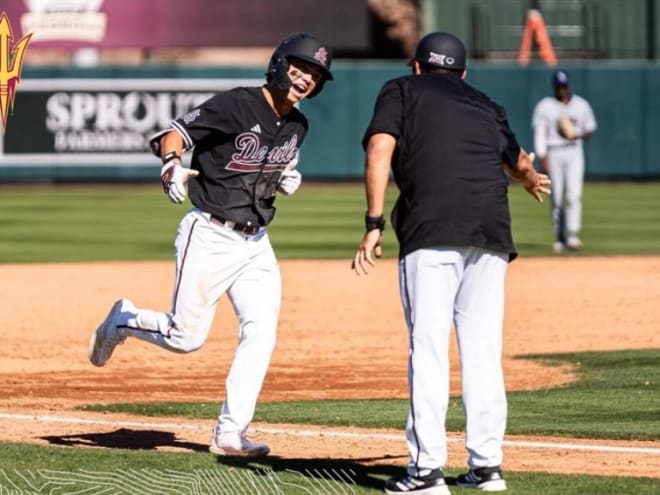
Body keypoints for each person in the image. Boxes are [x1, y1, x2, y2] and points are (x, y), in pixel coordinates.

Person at [88, 32, 333, 457]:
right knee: (186, 338)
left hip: (256, 243)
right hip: (210, 234)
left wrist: (283, 178)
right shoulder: (236, 103)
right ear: (279, 64)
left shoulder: (299, 126)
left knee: (261, 333)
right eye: (301, 68)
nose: (306, 79)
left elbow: (269, 171)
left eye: (315, 75)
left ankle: (229, 433)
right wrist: (170, 165)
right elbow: (174, 133)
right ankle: (122, 320)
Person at [352, 32, 550, 494]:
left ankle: (425, 473)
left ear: (417, 66)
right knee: (482, 352)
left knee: (429, 347)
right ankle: (487, 467)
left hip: (432, 230)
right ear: (463, 73)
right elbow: (519, 161)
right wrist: (528, 180)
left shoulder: (400, 90)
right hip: (491, 234)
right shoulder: (485, 103)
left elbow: (380, 148)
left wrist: (374, 221)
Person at [532, 69, 597, 252]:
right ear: (554, 86)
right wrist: (543, 157)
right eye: (559, 86)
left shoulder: (580, 105)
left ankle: (573, 235)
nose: (561, 89)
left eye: (564, 86)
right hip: (554, 152)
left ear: (568, 86)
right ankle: (559, 236)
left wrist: (576, 134)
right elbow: (540, 135)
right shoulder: (545, 106)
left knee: (574, 194)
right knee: (557, 196)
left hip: (574, 151)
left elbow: (590, 128)